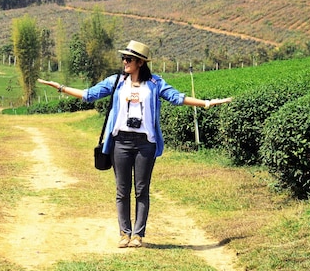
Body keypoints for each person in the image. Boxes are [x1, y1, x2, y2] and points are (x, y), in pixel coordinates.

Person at [38, 40, 232, 248]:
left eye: (128, 59)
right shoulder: (116, 82)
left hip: (145, 144)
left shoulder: (156, 84)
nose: (124, 62)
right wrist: (60, 87)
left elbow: (177, 98)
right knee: (122, 190)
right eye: (123, 58)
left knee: (142, 189)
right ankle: (124, 233)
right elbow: (89, 95)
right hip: (120, 141)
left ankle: (138, 235)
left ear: (140, 62)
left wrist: (206, 103)